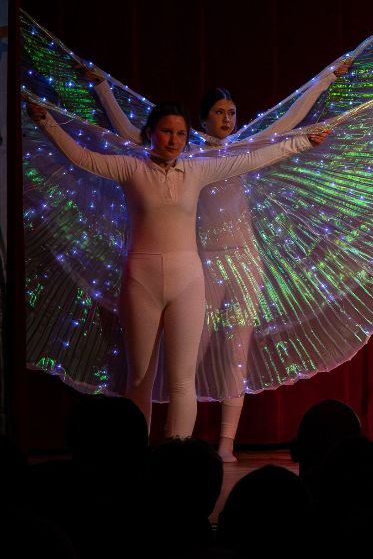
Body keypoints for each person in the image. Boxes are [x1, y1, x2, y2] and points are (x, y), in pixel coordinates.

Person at [84, 60, 349, 460]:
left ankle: (226, 444)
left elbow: (290, 120)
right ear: (204, 119)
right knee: (185, 357)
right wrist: (103, 89)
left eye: (232, 113)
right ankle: (167, 443)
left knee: (236, 354)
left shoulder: (242, 148)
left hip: (245, 259)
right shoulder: (187, 156)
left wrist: (325, 80)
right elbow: (129, 134)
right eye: (220, 112)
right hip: (200, 264)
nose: (228, 119)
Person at [25, 98, 328, 439]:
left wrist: (302, 142)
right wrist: (47, 123)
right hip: (141, 281)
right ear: (150, 133)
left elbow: (251, 158)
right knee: (139, 378)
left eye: (181, 134)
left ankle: (177, 457)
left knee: (183, 380)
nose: (174, 140)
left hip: (188, 282)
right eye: (166, 132)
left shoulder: (197, 170)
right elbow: (82, 157)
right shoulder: (131, 168)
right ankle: (137, 456)